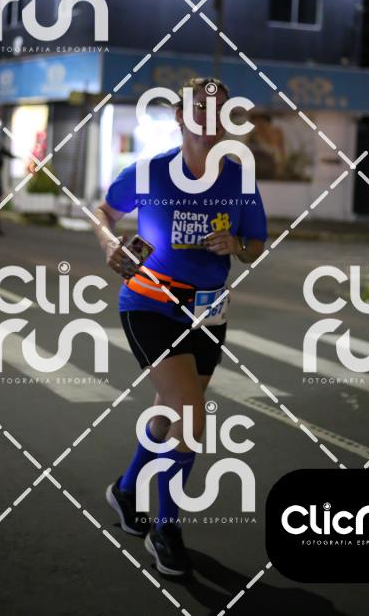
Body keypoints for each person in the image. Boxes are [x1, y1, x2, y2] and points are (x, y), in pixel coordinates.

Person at [94, 77, 267, 576]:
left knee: (171, 411)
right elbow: (103, 211)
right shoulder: (150, 172)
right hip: (150, 303)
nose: (210, 119)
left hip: (209, 309)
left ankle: (126, 490)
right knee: (190, 413)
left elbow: (257, 246)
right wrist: (109, 243)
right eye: (200, 109)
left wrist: (237, 246)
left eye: (219, 110)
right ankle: (166, 530)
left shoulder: (239, 179)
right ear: (180, 116)